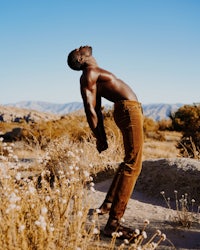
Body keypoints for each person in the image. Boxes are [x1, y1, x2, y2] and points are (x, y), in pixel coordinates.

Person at [67, 46, 144, 239]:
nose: (81, 45)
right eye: (78, 49)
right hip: (128, 110)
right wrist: (99, 137)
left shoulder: (93, 73)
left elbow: (97, 108)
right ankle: (113, 224)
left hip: (129, 109)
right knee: (133, 165)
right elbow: (91, 109)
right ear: (81, 58)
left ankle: (107, 205)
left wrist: (101, 136)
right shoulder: (89, 73)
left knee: (129, 161)